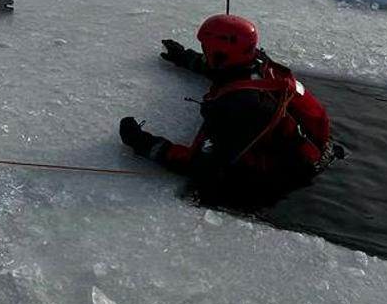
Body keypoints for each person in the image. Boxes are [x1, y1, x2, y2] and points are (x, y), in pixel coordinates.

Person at [118, 14, 339, 211]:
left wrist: (145, 144)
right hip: (309, 139)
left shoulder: (238, 107)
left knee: (221, 178)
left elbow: (204, 166)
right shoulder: (260, 62)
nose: (204, 52)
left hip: (287, 170)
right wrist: (187, 58)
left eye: (206, 48)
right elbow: (228, 69)